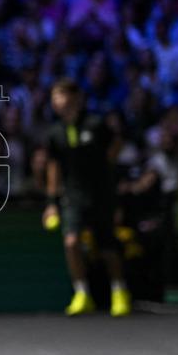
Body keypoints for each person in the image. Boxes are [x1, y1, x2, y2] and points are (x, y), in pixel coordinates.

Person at [43, 78, 132, 317]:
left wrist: (105, 171)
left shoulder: (96, 124)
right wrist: (51, 203)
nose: (56, 101)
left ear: (75, 98)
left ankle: (119, 291)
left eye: (60, 95)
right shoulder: (54, 133)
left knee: (107, 246)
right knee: (71, 242)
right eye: (54, 97)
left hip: (100, 194)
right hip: (73, 196)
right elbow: (54, 168)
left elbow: (116, 144)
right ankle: (82, 293)